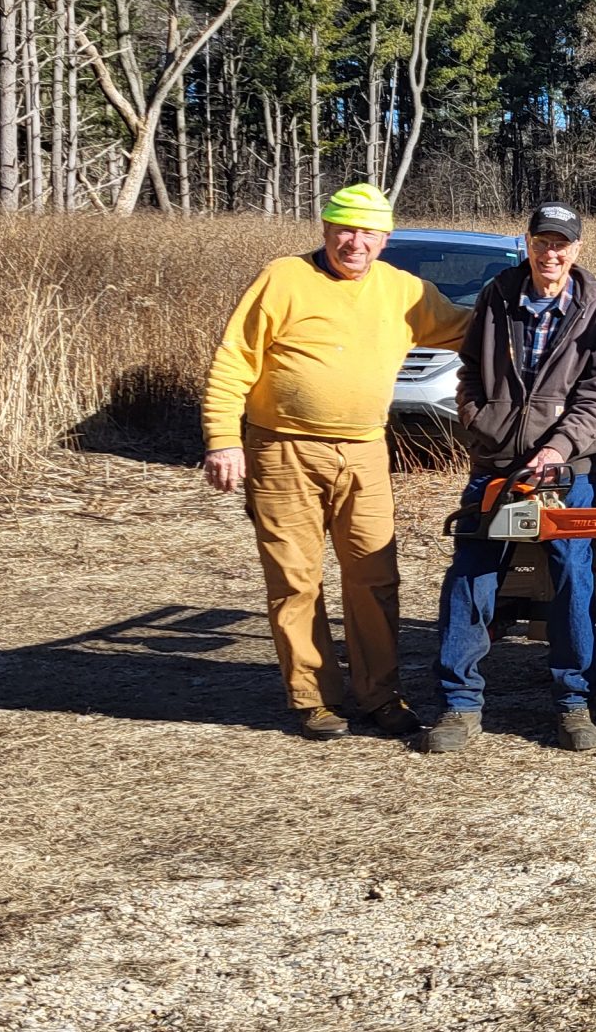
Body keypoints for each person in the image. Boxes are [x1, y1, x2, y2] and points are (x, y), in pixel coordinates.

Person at [201, 182, 472, 739]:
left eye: (369, 232)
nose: (356, 242)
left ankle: (380, 695)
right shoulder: (284, 278)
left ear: (385, 238)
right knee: (295, 578)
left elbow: (471, 331)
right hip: (282, 448)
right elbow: (235, 360)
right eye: (346, 229)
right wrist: (223, 439)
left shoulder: (404, 291)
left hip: (365, 449)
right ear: (325, 229)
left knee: (374, 576)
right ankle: (313, 699)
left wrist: (539, 315)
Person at [424, 204, 596, 756]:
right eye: (542, 242)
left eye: (562, 244)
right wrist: (480, 426)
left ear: (577, 250)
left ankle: (574, 702)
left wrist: (557, 449)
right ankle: (459, 702)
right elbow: (467, 371)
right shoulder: (497, 295)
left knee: (571, 573)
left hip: (565, 472)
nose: (551, 254)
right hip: (495, 465)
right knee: (472, 573)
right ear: (528, 244)